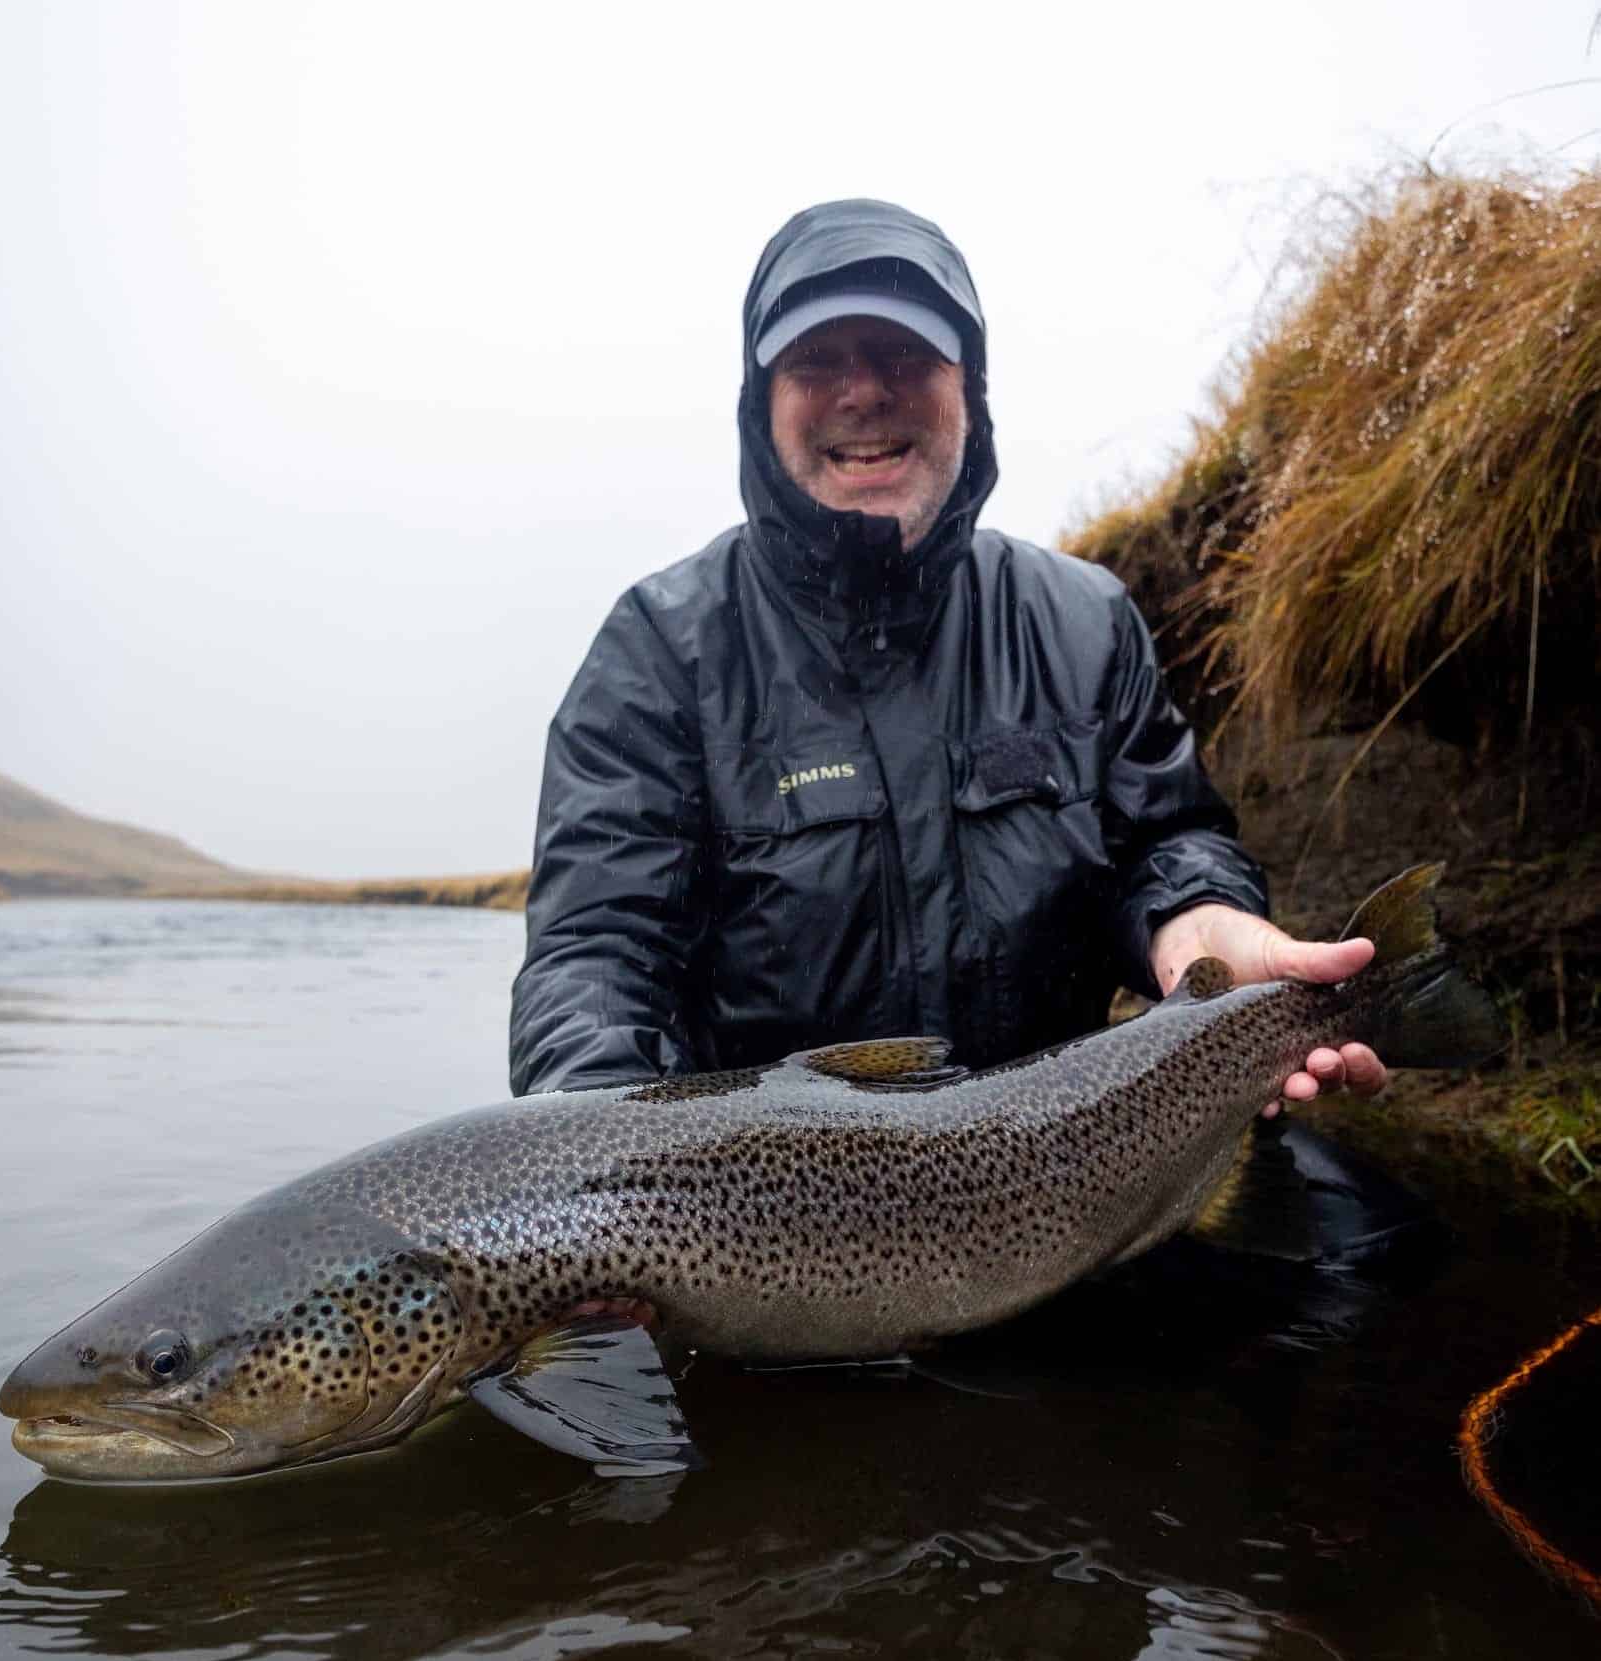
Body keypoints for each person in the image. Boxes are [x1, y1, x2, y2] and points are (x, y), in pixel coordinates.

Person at [509, 197, 1387, 1124]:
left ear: (968, 387)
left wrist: (1202, 932)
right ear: (758, 404)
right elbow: (599, 956)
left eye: (903, 357)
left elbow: (1165, 847)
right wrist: (600, 1184)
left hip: (1083, 1167)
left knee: (1372, 1259)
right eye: (815, 362)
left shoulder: (1084, 621)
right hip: (761, 1226)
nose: (862, 392)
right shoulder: (658, 651)